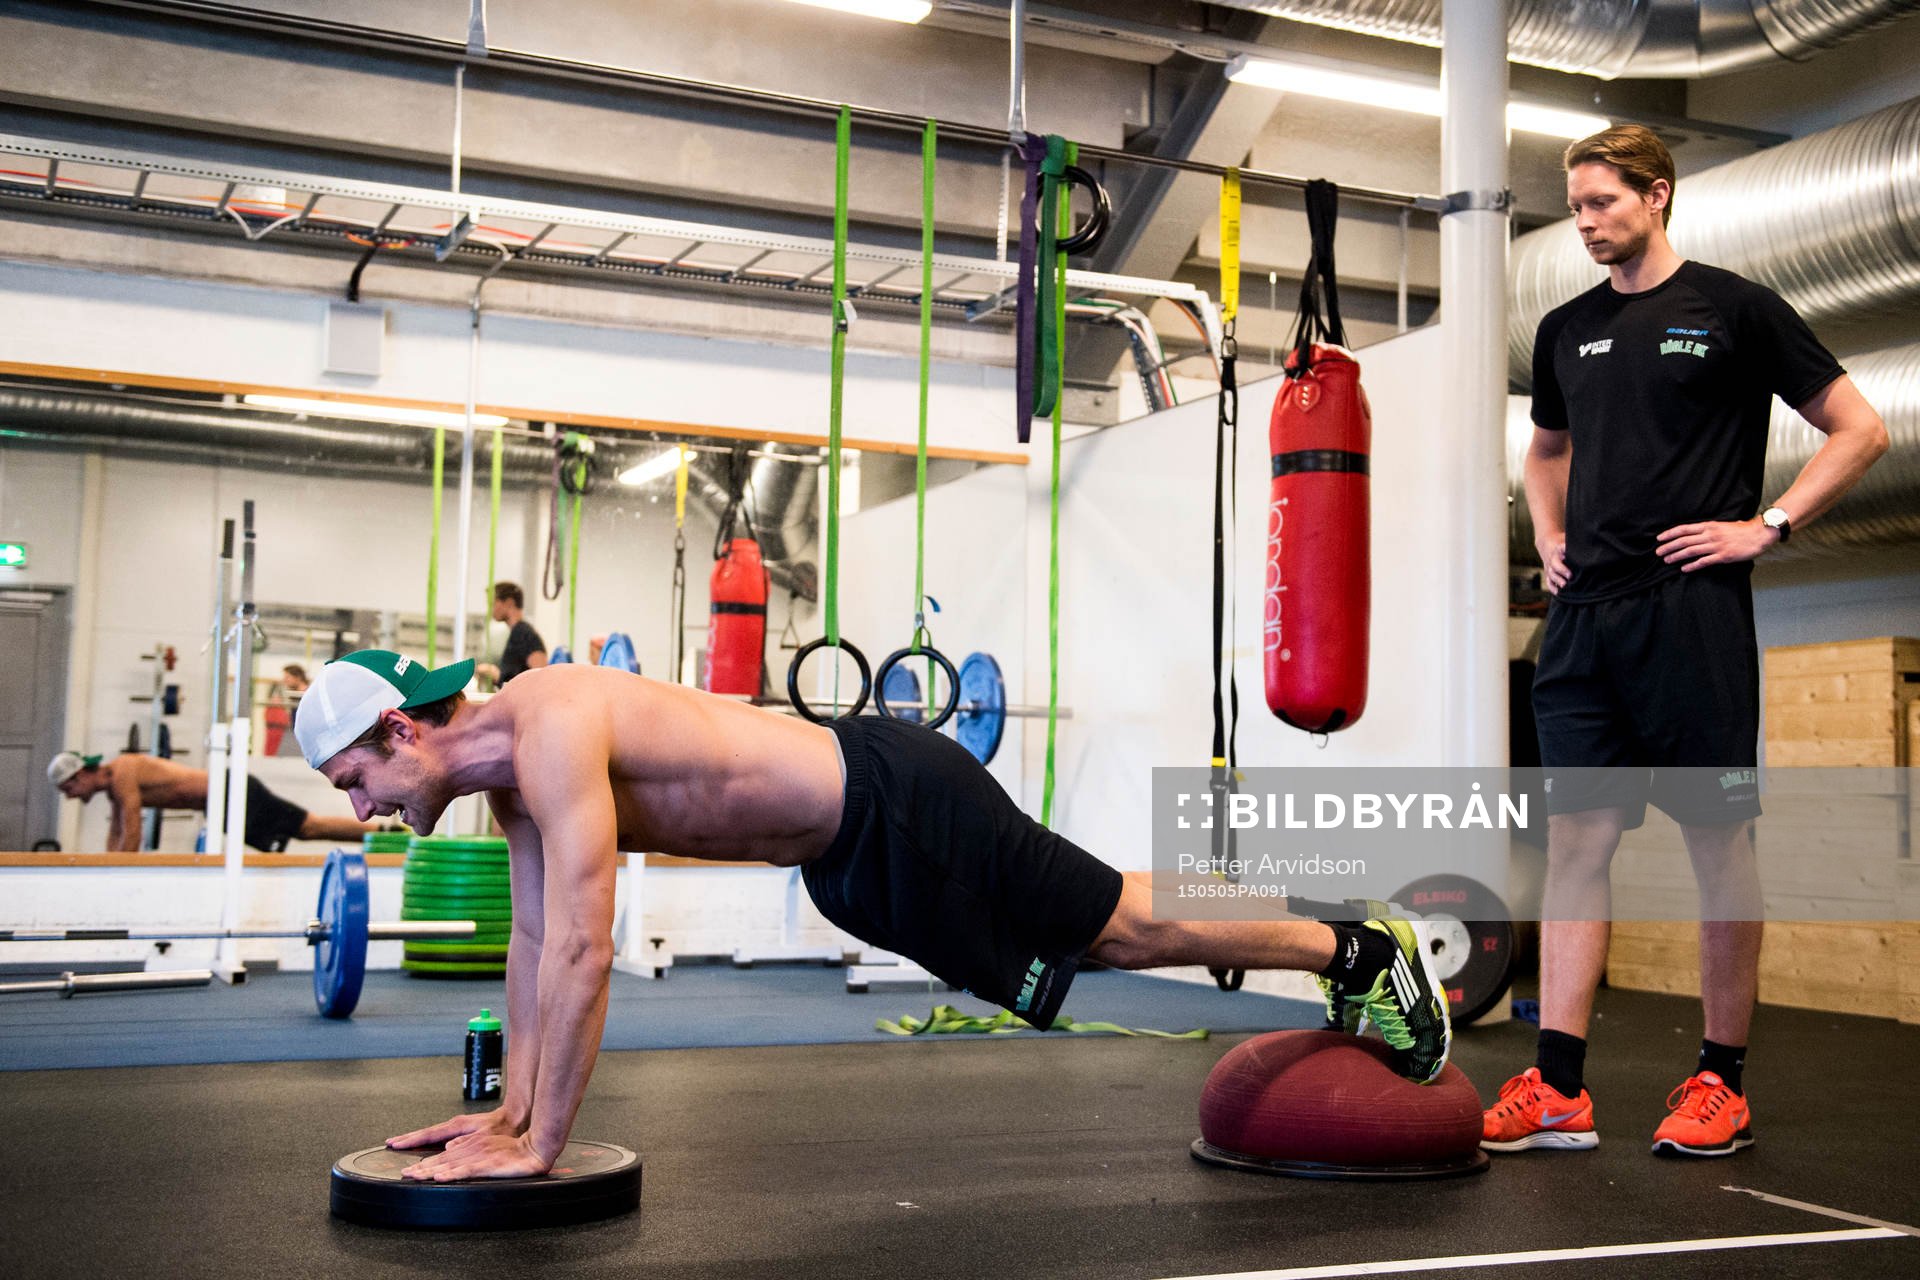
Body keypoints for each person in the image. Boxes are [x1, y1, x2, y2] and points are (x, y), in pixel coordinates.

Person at [294, 650, 1452, 1182]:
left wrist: (544, 1145)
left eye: (356, 779)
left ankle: (1357, 943)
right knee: (1106, 932)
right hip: (854, 858)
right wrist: (506, 1109)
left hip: (900, 794)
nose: (366, 809)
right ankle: (1342, 937)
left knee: (1118, 928)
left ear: (403, 730)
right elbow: (537, 946)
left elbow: (589, 947)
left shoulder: (549, 726)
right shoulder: (508, 789)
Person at [1488, 125, 1888, 1159]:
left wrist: (1770, 525)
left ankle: (1722, 1078)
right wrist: (1547, 530)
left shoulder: (1734, 308)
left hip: (1692, 610)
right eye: (1573, 207)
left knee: (1718, 839)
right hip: (1584, 620)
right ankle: (1562, 1085)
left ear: (1656, 196)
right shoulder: (1567, 329)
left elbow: (1860, 427)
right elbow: (1546, 452)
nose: (1583, 222)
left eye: (1601, 203)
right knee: (1577, 839)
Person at [47, 750, 389, 853]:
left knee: (307, 827)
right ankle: (383, 834)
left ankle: (386, 834)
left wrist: (123, 871)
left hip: (230, 791)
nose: (71, 798)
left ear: (79, 776)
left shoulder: (122, 771)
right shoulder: (113, 788)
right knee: (307, 830)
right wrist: (108, 867)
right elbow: (118, 831)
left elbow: (133, 828)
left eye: (68, 790)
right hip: (221, 804)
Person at [475, 582, 547, 687]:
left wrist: (495, 673)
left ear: (509, 603)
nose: (490, 610)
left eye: (492, 604)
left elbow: (541, 677)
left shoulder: (524, 634)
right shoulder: (515, 633)